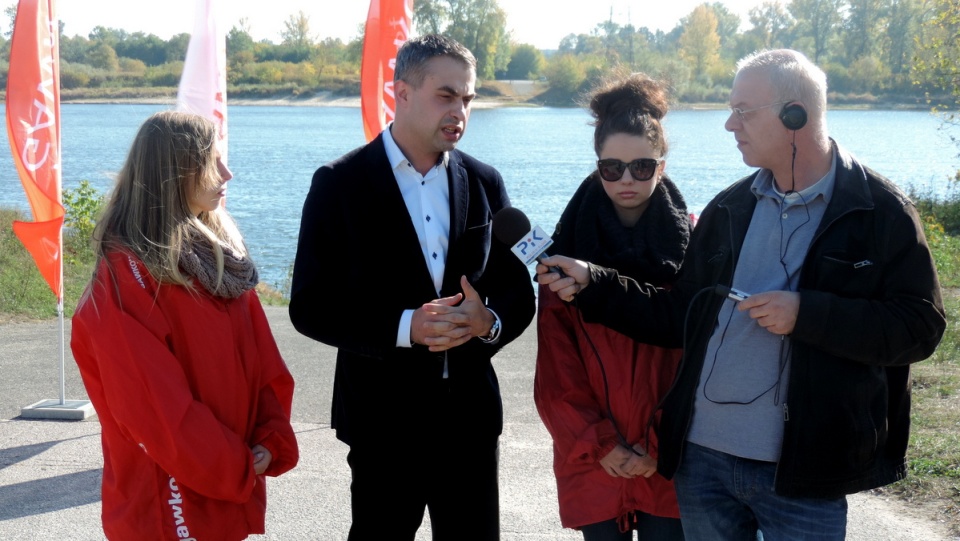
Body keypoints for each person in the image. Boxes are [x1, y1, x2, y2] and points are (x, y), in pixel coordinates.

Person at [536, 49, 946, 540]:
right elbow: (678, 316)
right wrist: (593, 282)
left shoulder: (881, 212)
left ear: (795, 113)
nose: (729, 125)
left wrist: (808, 314)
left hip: (803, 475)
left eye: (742, 111)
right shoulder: (729, 209)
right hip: (702, 467)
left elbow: (919, 327)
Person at [289, 34, 535, 541]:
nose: (460, 111)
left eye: (468, 99)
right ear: (400, 91)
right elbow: (310, 306)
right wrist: (406, 327)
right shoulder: (339, 183)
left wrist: (489, 322)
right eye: (446, 96)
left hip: (469, 421)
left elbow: (517, 291)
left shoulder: (485, 181)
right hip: (382, 422)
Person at [70, 111, 299, 541]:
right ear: (175, 172)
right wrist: (235, 464)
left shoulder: (219, 262)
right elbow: (156, 413)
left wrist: (269, 437)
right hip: (166, 504)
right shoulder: (124, 279)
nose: (227, 173)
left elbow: (264, 365)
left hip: (226, 487)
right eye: (212, 161)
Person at [534, 73, 689, 541]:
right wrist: (601, 444)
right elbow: (557, 373)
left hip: (666, 459)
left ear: (661, 167)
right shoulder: (564, 255)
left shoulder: (693, 246)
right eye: (612, 167)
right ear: (596, 166)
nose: (626, 179)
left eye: (641, 167)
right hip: (592, 458)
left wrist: (658, 446)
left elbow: (698, 362)